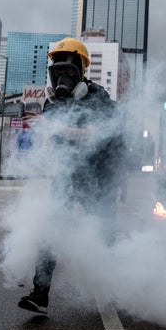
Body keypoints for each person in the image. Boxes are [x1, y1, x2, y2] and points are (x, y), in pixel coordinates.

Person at [18, 37, 126, 314]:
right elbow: (53, 144)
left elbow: (94, 136)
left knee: (104, 237)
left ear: (81, 70)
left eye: (69, 72)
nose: (62, 78)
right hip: (68, 177)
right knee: (50, 232)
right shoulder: (52, 104)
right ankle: (39, 295)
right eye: (58, 72)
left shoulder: (98, 98)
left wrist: (56, 130)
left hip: (100, 177)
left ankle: (126, 286)